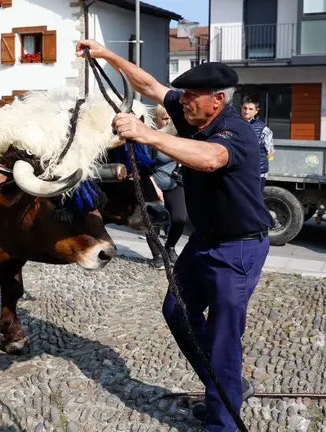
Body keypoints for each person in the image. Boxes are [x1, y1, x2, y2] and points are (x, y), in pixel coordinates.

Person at [76, 40, 272, 431]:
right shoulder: (193, 116)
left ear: (217, 100)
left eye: (192, 98)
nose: (182, 103)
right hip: (204, 242)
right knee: (177, 312)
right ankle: (226, 387)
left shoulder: (235, 131)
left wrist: (148, 135)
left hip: (238, 249)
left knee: (222, 336)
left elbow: (211, 158)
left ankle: (223, 422)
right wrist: (108, 55)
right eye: (183, 96)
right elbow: (150, 85)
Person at [146, 105, 188, 269]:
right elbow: (144, 167)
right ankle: (157, 255)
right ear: (157, 119)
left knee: (179, 218)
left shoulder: (179, 136)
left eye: (171, 118)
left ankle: (169, 247)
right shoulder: (151, 138)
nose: (168, 122)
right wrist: (154, 188)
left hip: (174, 183)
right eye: (164, 119)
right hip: (153, 184)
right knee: (152, 222)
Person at [241, 96, 275, 194]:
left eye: (250, 109)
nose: (247, 111)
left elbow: (271, 152)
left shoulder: (264, 129)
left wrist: (255, 163)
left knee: (255, 200)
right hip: (239, 171)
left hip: (258, 172)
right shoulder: (234, 124)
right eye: (245, 108)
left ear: (257, 111)